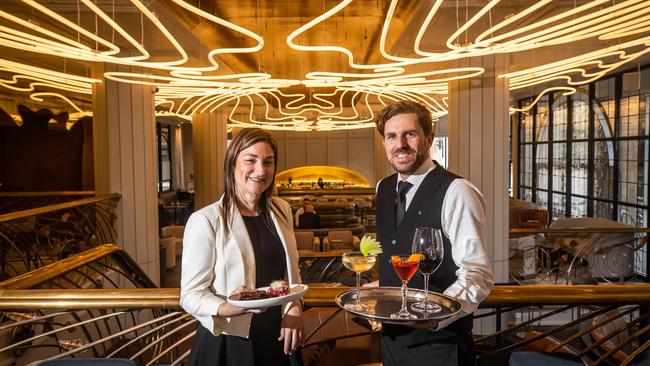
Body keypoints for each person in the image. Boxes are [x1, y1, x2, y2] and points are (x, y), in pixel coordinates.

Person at [369, 100, 493, 366]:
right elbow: (396, 256)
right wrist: (380, 290)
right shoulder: (384, 188)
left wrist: (436, 317)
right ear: (384, 143)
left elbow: (477, 275)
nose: (400, 143)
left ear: (429, 138)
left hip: (440, 346)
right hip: (391, 342)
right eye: (391, 136)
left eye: (410, 134)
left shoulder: (458, 191)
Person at [180, 128, 303, 366]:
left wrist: (294, 308)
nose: (260, 170)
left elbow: (290, 274)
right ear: (232, 164)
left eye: (268, 162)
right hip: (229, 341)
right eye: (250, 160)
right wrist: (230, 307)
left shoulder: (282, 210)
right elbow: (190, 295)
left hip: (279, 336)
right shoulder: (206, 219)